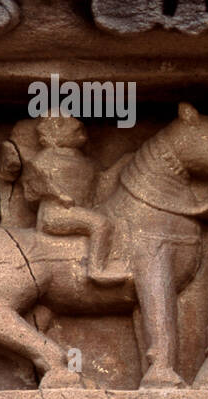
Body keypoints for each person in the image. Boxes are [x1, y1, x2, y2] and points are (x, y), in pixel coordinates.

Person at [21, 109, 129, 285]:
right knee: (100, 223)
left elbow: (101, 188)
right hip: (56, 214)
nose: (78, 124)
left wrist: (123, 164)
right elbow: (32, 186)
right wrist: (57, 194)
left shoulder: (86, 162)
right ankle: (96, 270)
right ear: (51, 133)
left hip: (81, 211)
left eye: (75, 120)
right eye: (65, 123)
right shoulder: (44, 159)